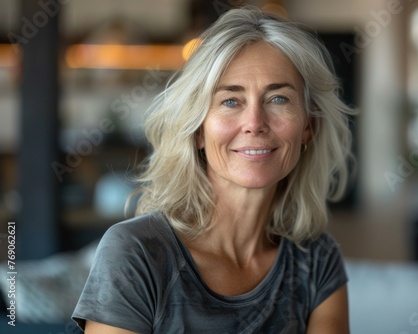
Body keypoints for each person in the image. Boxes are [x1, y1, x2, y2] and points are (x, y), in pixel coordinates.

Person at [72, 6, 353, 334]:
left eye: (278, 99)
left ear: (308, 126)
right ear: (198, 130)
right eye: (231, 101)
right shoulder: (137, 253)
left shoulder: (316, 260)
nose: (254, 124)